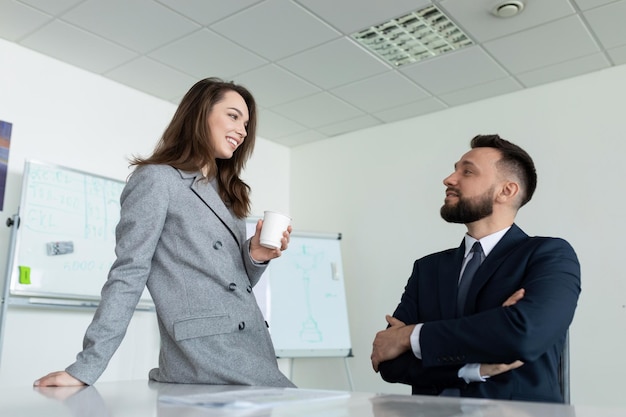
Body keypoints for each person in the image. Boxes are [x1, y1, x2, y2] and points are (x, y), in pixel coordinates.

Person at [34, 77, 295, 388]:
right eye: (233, 116)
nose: (242, 131)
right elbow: (128, 274)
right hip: (206, 355)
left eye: (247, 124)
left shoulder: (227, 194)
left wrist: (255, 256)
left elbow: (231, 286)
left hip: (253, 345)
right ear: (200, 114)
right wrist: (86, 367)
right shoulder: (157, 180)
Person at [370, 134, 580, 403]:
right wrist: (474, 367)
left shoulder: (549, 255)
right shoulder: (428, 268)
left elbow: (523, 336)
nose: (449, 179)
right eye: (455, 169)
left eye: (467, 171)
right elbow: (388, 361)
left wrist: (411, 336)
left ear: (507, 191)